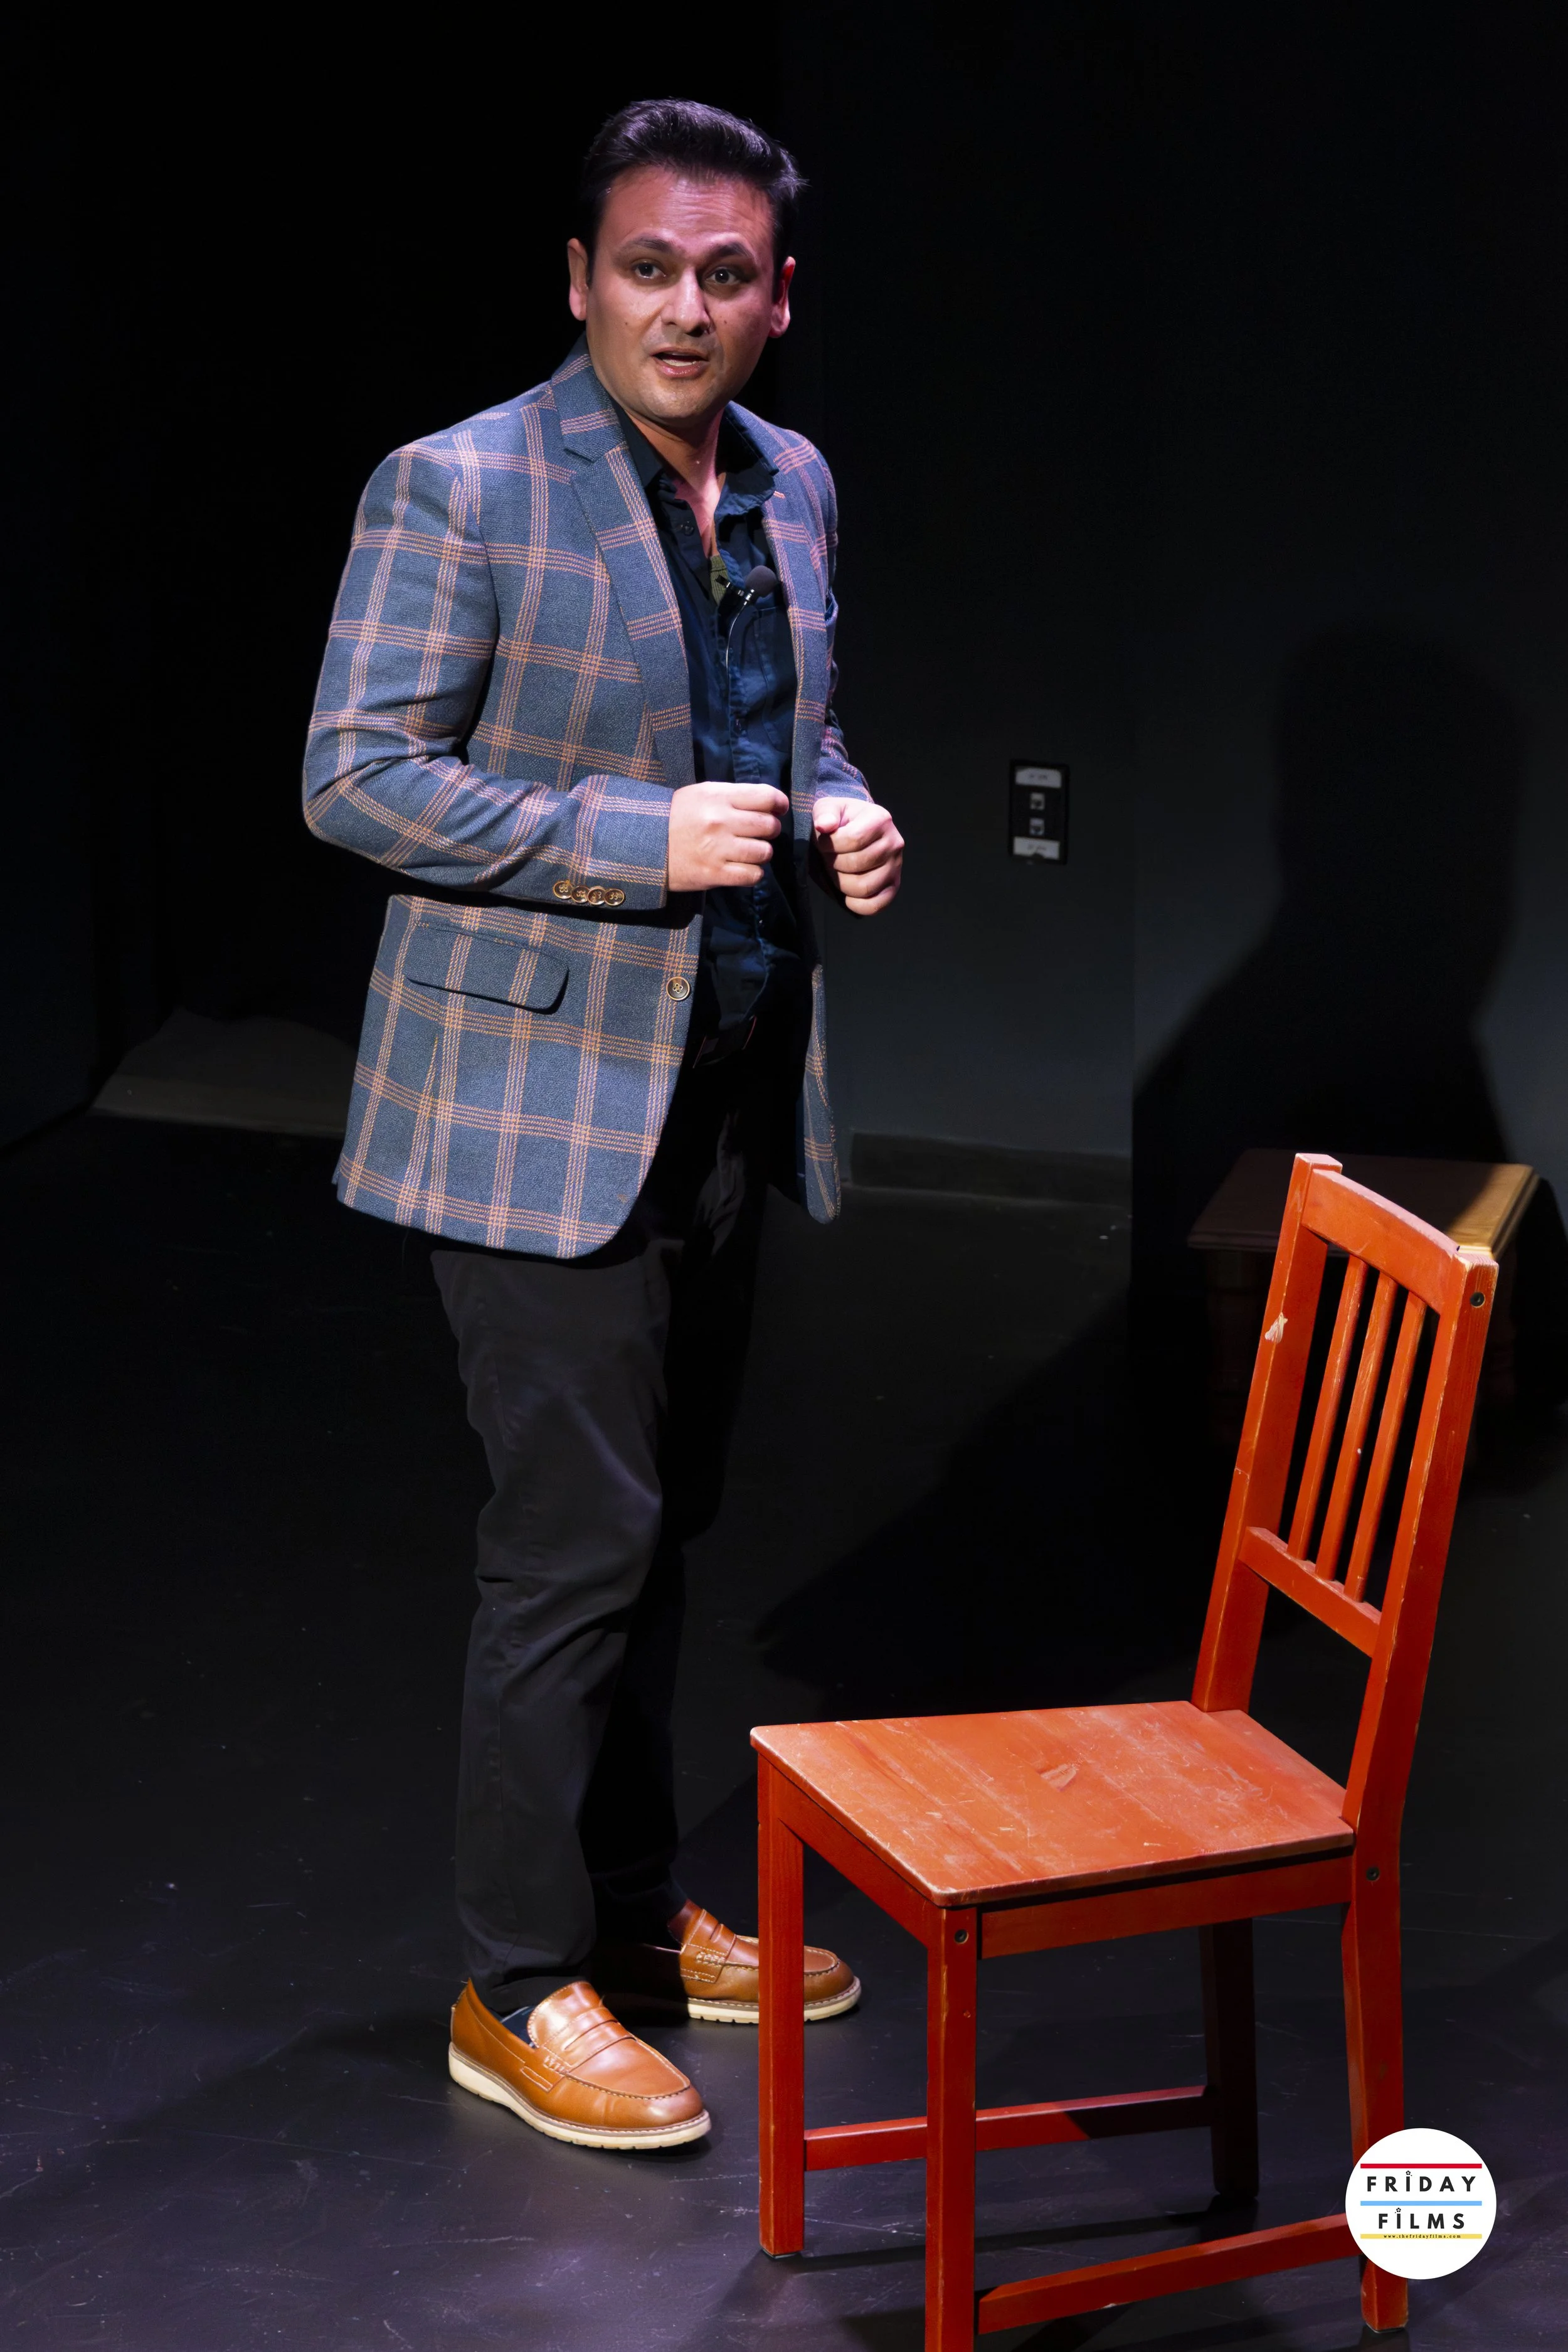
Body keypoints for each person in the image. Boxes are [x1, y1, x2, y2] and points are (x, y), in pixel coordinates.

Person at [303, 98, 903, 2153]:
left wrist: (838, 807)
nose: (683, 307)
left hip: (721, 1079)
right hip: (525, 1100)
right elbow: (354, 776)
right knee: (569, 1548)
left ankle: (635, 1916)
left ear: (777, 298)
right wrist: (630, 839)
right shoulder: (458, 485)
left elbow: (790, 720)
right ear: (579, 281)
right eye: (647, 268)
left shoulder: (792, 482)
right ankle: (516, 1979)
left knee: (660, 1532)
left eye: (725, 274)